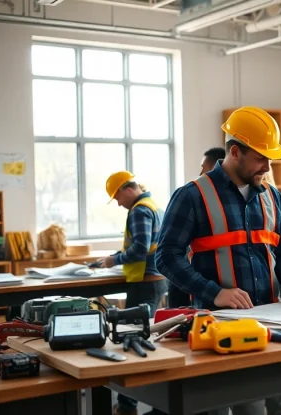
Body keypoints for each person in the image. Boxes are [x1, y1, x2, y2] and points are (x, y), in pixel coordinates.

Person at [155, 106, 281, 415]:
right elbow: (166, 257)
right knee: (236, 407)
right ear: (235, 152)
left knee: (277, 404)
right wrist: (214, 292)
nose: (268, 166)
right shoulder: (192, 196)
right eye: (261, 158)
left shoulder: (273, 196)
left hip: (272, 324)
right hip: (219, 327)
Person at [101, 171, 168, 415]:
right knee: (144, 336)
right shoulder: (153, 205)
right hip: (153, 279)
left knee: (131, 339)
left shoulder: (139, 209)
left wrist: (113, 260)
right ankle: (147, 404)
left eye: (117, 197)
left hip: (144, 281)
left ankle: (127, 406)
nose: (118, 203)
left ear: (126, 189)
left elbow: (140, 248)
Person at [166, 147, 229, 310]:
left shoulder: (266, 196)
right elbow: (168, 254)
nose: (201, 172)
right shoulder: (191, 195)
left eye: (204, 166)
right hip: (199, 290)